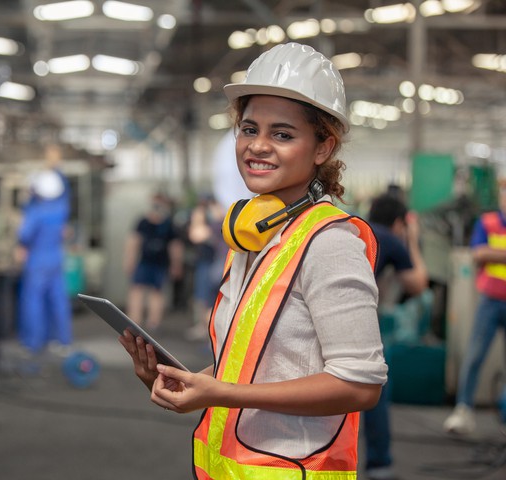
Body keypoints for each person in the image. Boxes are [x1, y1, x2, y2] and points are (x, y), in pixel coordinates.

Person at [119, 42, 387, 479]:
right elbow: (256, 365)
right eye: (248, 129)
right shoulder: (253, 236)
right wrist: (188, 382)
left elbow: (360, 385)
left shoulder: (329, 243)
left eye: (282, 134)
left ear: (322, 148)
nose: (257, 146)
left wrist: (220, 392)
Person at [364, 191, 429, 480]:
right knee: (374, 388)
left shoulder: (355, 228)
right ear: (399, 223)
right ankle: (379, 465)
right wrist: (411, 239)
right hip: (358, 323)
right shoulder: (390, 239)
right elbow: (417, 285)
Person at [443, 179, 506, 435]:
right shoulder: (488, 222)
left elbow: (486, 253)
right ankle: (463, 410)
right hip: (490, 301)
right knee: (474, 356)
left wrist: (494, 252)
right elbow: (478, 254)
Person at [16, 168, 73, 357]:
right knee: (58, 301)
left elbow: (24, 234)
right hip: (56, 258)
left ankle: (33, 343)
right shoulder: (61, 208)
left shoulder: (36, 211)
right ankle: (62, 341)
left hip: (37, 260)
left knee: (33, 301)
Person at [123, 193, 184, 332]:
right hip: (144, 262)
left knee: (156, 293)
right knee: (137, 290)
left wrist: (176, 265)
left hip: (160, 263)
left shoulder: (169, 224)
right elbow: (133, 241)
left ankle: (153, 322)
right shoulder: (143, 222)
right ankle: (134, 320)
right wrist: (129, 260)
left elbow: (175, 246)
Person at [185, 193, 226, 341]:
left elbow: (195, 235)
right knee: (209, 301)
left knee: (211, 302)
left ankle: (212, 335)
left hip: (216, 266)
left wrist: (198, 216)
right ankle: (210, 332)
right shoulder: (221, 223)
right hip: (214, 264)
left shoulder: (218, 224)